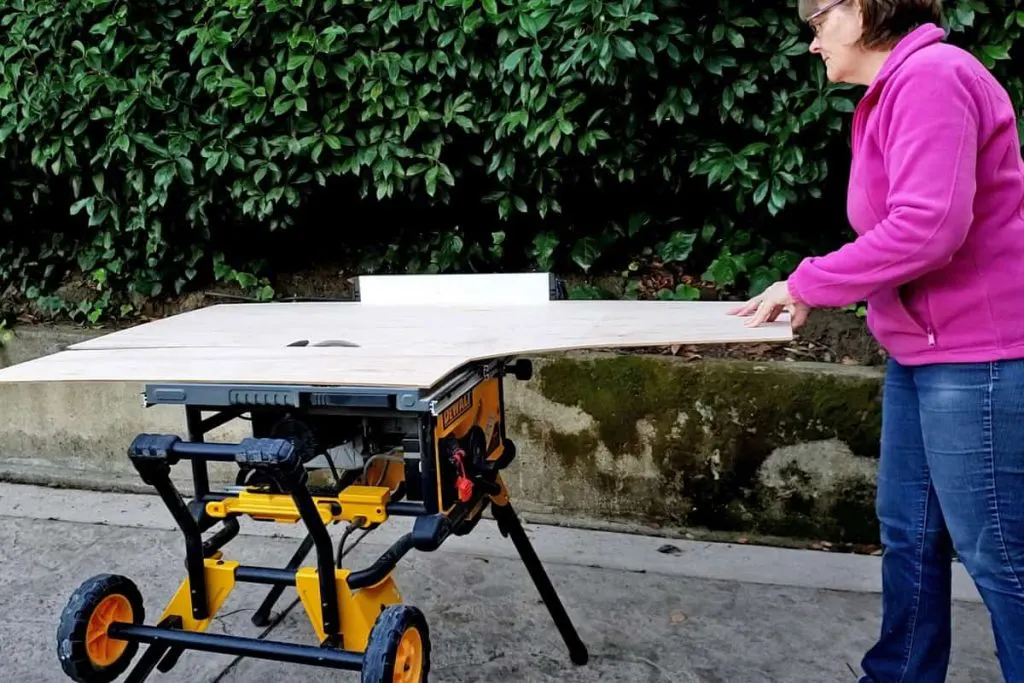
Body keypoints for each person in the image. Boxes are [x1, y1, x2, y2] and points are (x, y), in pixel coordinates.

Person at [728, 1, 1024, 681]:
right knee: (910, 538)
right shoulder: (898, 89)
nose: (811, 43)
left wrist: (807, 283)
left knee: (1000, 554)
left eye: (817, 20)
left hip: (977, 357)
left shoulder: (933, 77)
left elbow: (928, 227)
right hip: (924, 354)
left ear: (863, 8)